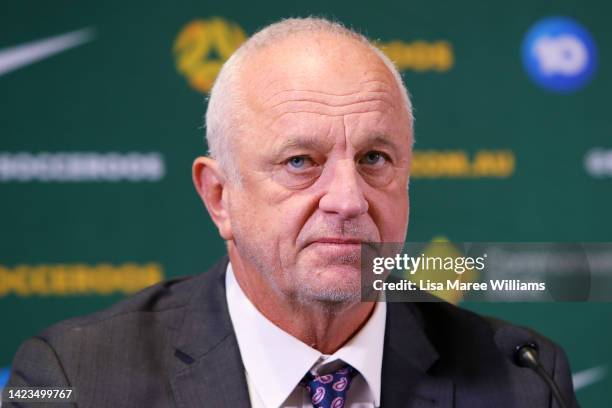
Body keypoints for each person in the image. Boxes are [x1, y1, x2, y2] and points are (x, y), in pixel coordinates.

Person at [7, 17, 578, 408]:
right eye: (301, 161)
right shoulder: (74, 381)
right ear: (219, 197)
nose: (349, 200)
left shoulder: (523, 379)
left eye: (375, 158)